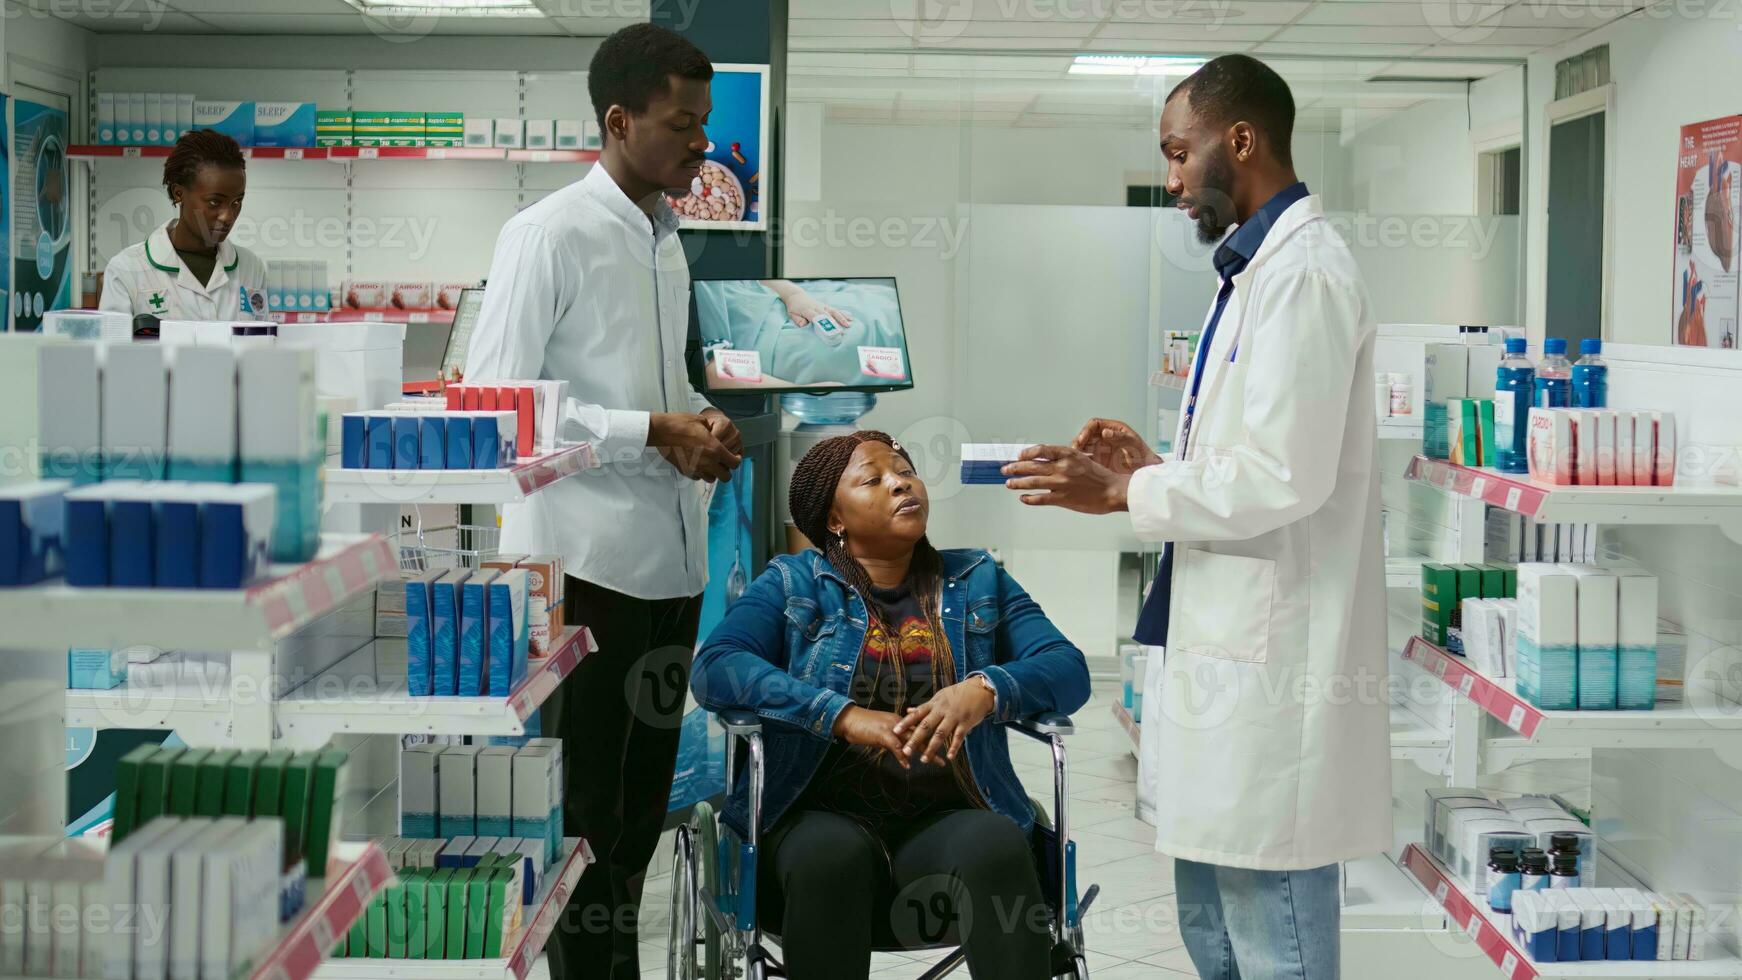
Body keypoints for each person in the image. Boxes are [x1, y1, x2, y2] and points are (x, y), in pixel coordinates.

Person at [1000, 54, 1391, 980]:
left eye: (1180, 154)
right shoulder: (1250, 271)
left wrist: (1123, 494)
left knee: (1273, 942)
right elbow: (1252, 457)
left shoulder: (1306, 275)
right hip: (1223, 651)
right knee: (1213, 932)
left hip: (1275, 671)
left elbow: (1286, 477)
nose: (1172, 180)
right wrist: (1156, 468)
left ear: (1242, 140)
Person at [462, 23, 743, 980]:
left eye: (704, 124)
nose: (700, 144)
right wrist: (652, 432)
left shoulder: (667, 240)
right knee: (584, 827)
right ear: (619, 121)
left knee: (635, 828)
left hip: (671, 569)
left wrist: (701, 419)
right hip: (584, 573)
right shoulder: (547, 235)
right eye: (682, 124)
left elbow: (657, 378)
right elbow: (498, 409)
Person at [691, 431, 1090, 980]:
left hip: (946, 817)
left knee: (995, 843)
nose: (900, 481)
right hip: (816, 814)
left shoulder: (978, 579)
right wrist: (841, 715)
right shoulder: (792, 583)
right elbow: (716, 666)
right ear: (835, 518)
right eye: (872, 479)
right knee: (830, 857)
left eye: (904, 470)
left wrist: (984, 689)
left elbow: (1067, 668)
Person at [99, 129, 269, 325]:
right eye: (214, 202)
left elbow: (262, 344)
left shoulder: (251, 268)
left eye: (237, 202)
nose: (228, 216)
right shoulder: (127, 270)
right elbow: (114, 352)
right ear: (178, 193)